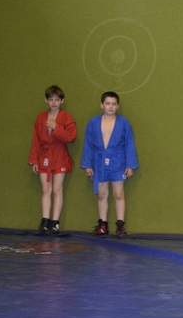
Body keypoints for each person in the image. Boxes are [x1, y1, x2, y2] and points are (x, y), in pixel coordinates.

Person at [81, 91, 138, 236]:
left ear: (117, 106)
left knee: (118, 194)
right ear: (102, 105)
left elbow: (129, 144)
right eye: (107, 103)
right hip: (100, 162)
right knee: (102, 195)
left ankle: (120, 225)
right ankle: (103, 225)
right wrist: (87, 164)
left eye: (114, 104)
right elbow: (88, 144)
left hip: (118, 162)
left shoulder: (124, 122)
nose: (111, 107)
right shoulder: (93, 122)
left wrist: (130, 165)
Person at [28, 85, 78, 235]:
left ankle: (55, 222)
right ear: (46, 100)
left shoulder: (66, 117)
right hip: (44, 156)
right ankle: (45, 221)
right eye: (51, 99)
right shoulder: (40, 118)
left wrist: (56, 127)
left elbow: (71, 137)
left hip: (59, 155)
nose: (54, 102)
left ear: (62, 101)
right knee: (46, 189)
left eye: (57, 99)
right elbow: (36, 140)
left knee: (57, 189)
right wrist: (34, 160)